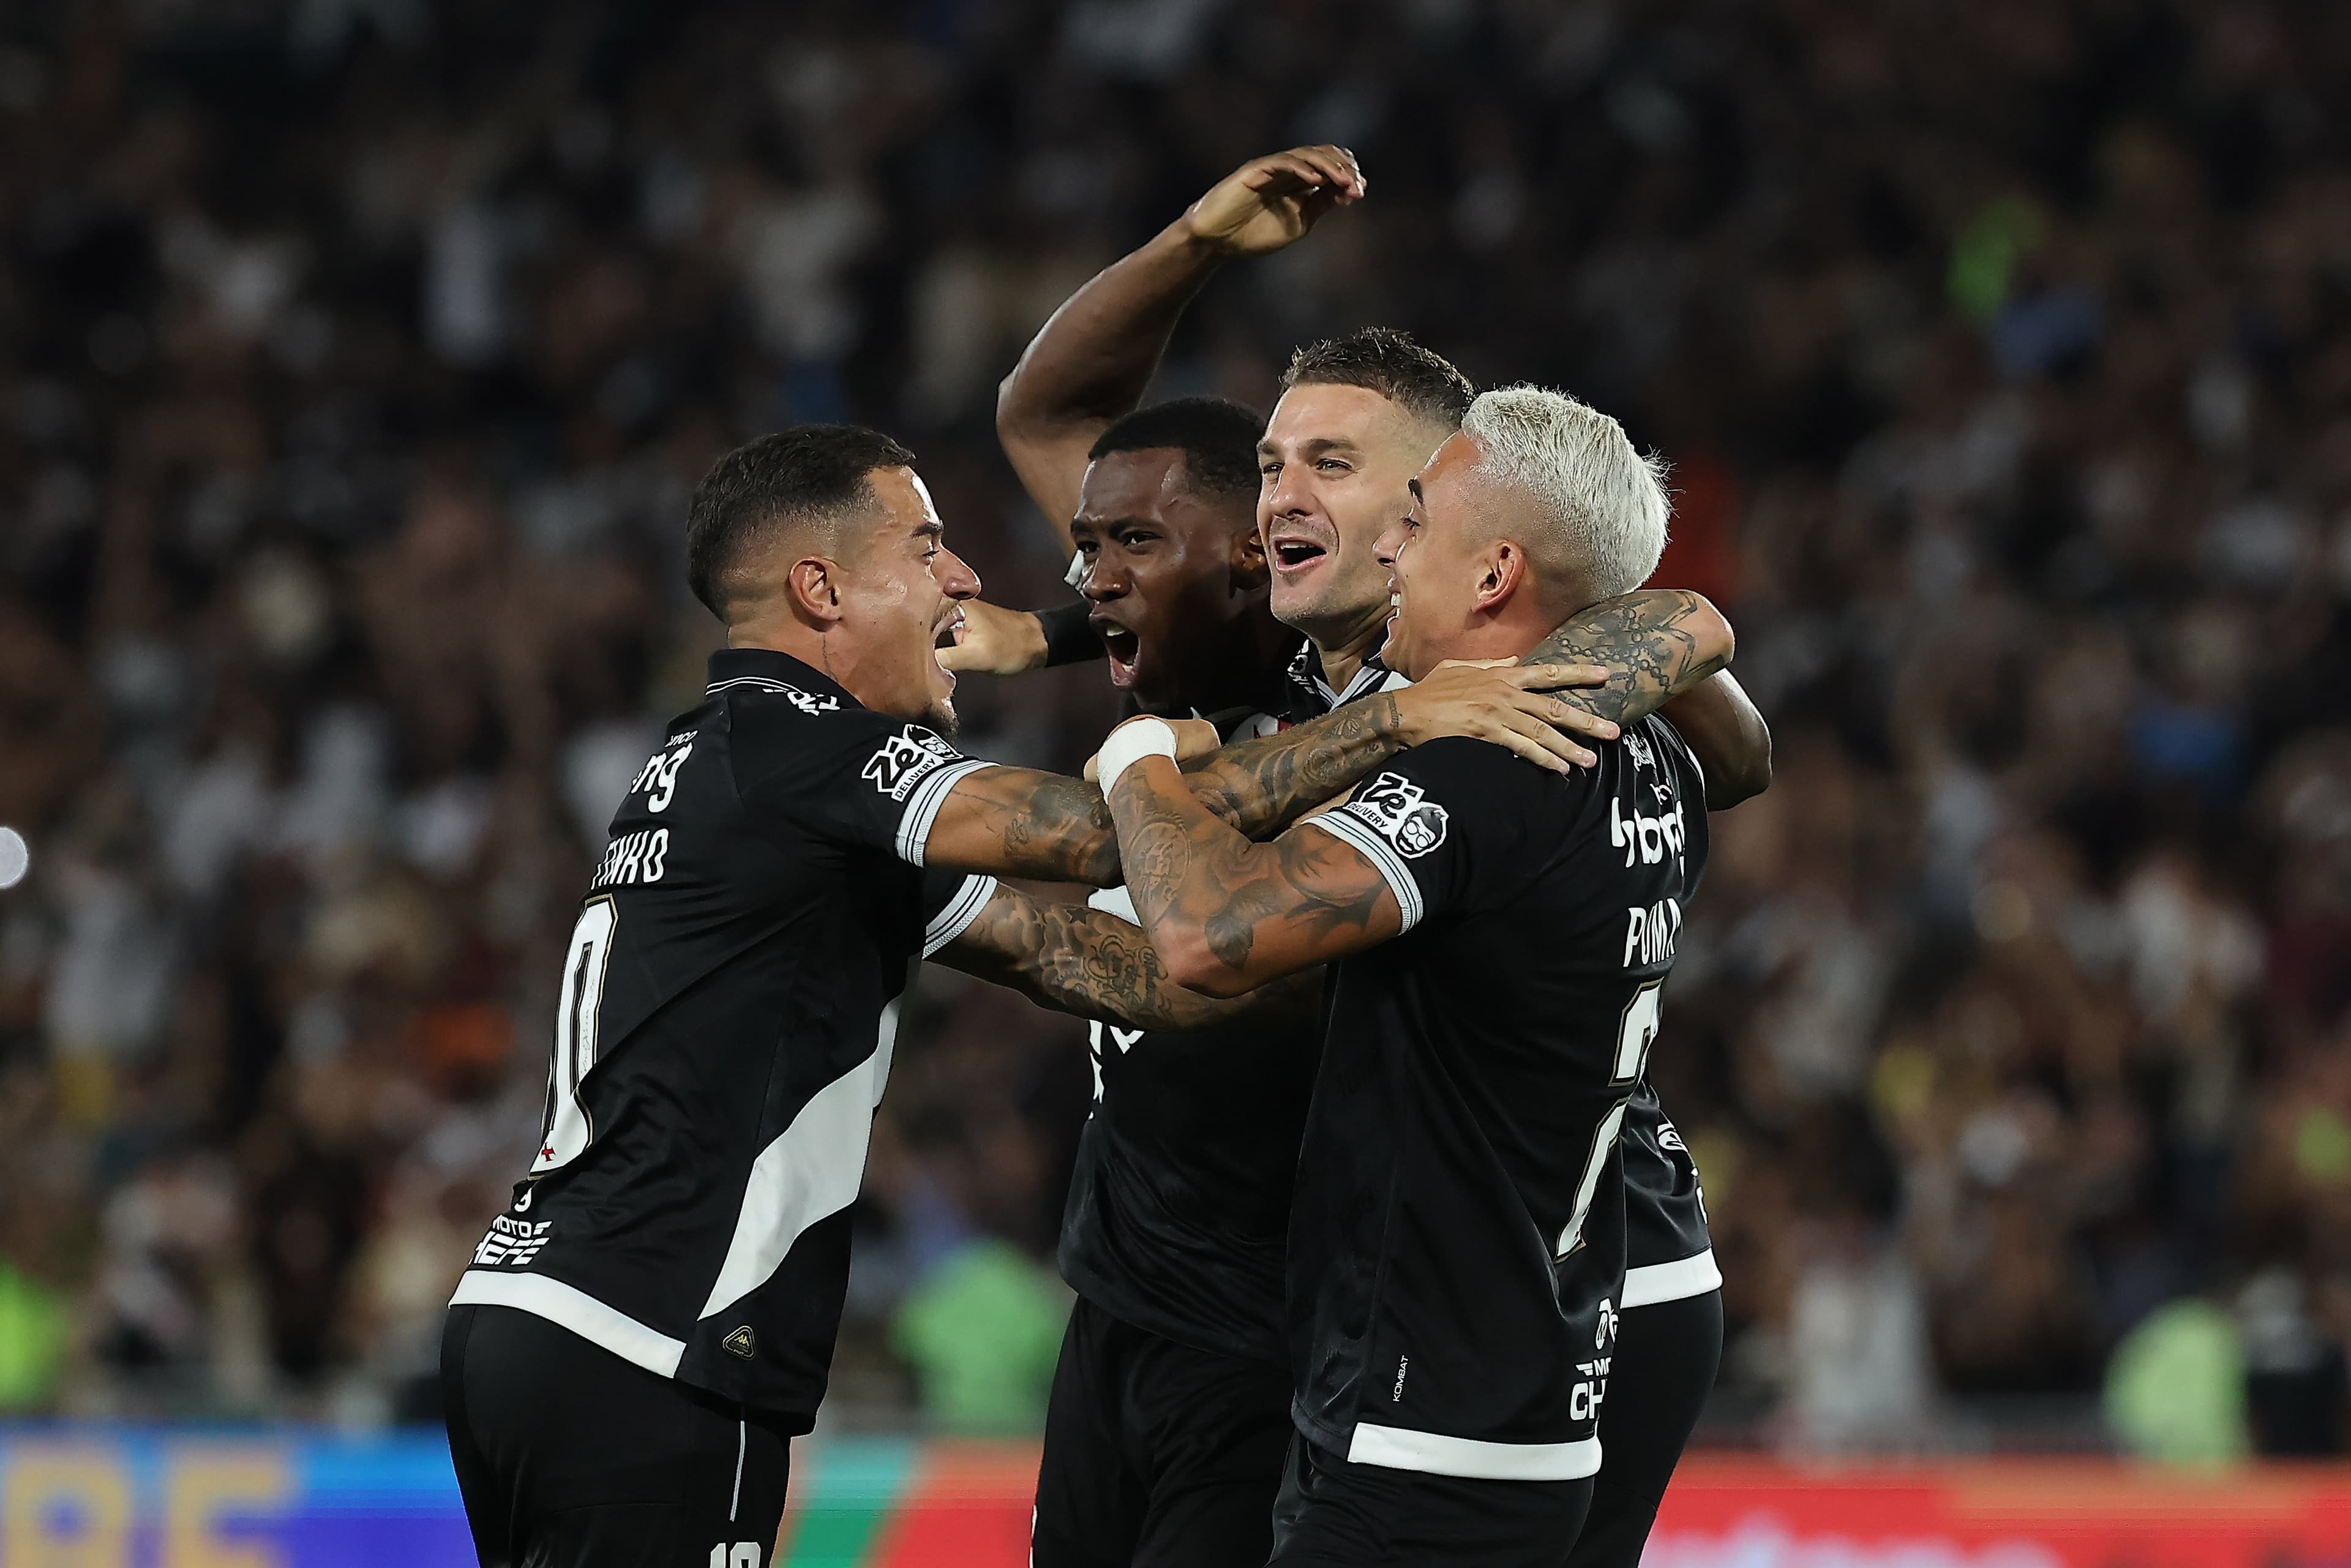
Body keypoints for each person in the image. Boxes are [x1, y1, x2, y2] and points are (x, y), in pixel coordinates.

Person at [438, 423, 1614, 1568]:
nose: (962, 578)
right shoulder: (803, 744)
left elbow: (1093, 963)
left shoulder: (732, 771)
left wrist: (1341, 963)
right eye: (923, 548)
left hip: (537, 1313)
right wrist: (1390, 721)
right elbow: (1100, 831)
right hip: (653, 1337)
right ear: (820, 590)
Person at [965, 146, 1766, 1566]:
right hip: (1175, 1284)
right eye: (1272, 465)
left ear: (1431, 509)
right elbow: (1052, 418)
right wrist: (1195, 242)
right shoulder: (1234, 627)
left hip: (1403, 1309)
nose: (1278, 497)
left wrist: (1658, 624)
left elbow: (1725, 720)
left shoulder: (1502, 714)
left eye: (1330, 468)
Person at [1095, 386, 1714, 1566]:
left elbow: (1207, 937)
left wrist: (1141, 763)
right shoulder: (1656, 750)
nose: (1389, 548)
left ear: (1494, 575)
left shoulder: (1488, 770)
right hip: (1531, 1383)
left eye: (1416, 520)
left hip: (1429, 1423)